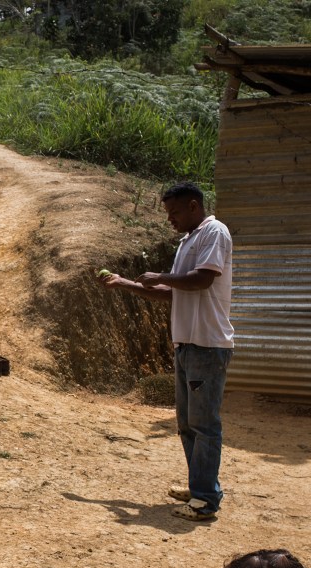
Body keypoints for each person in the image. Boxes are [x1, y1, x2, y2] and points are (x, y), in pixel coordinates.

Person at [98, 181, 233, 521]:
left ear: (193, 206)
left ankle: (204, 501)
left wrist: (162, 275)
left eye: (173, 212)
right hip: (188, 344)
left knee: (205, 425)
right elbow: (176, 294)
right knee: (188, 424)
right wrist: (125, 283)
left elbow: (202, 280)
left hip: (207, 344)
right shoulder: (189, 240)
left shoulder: (213, 232)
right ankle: (201, 486)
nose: (170, 219)